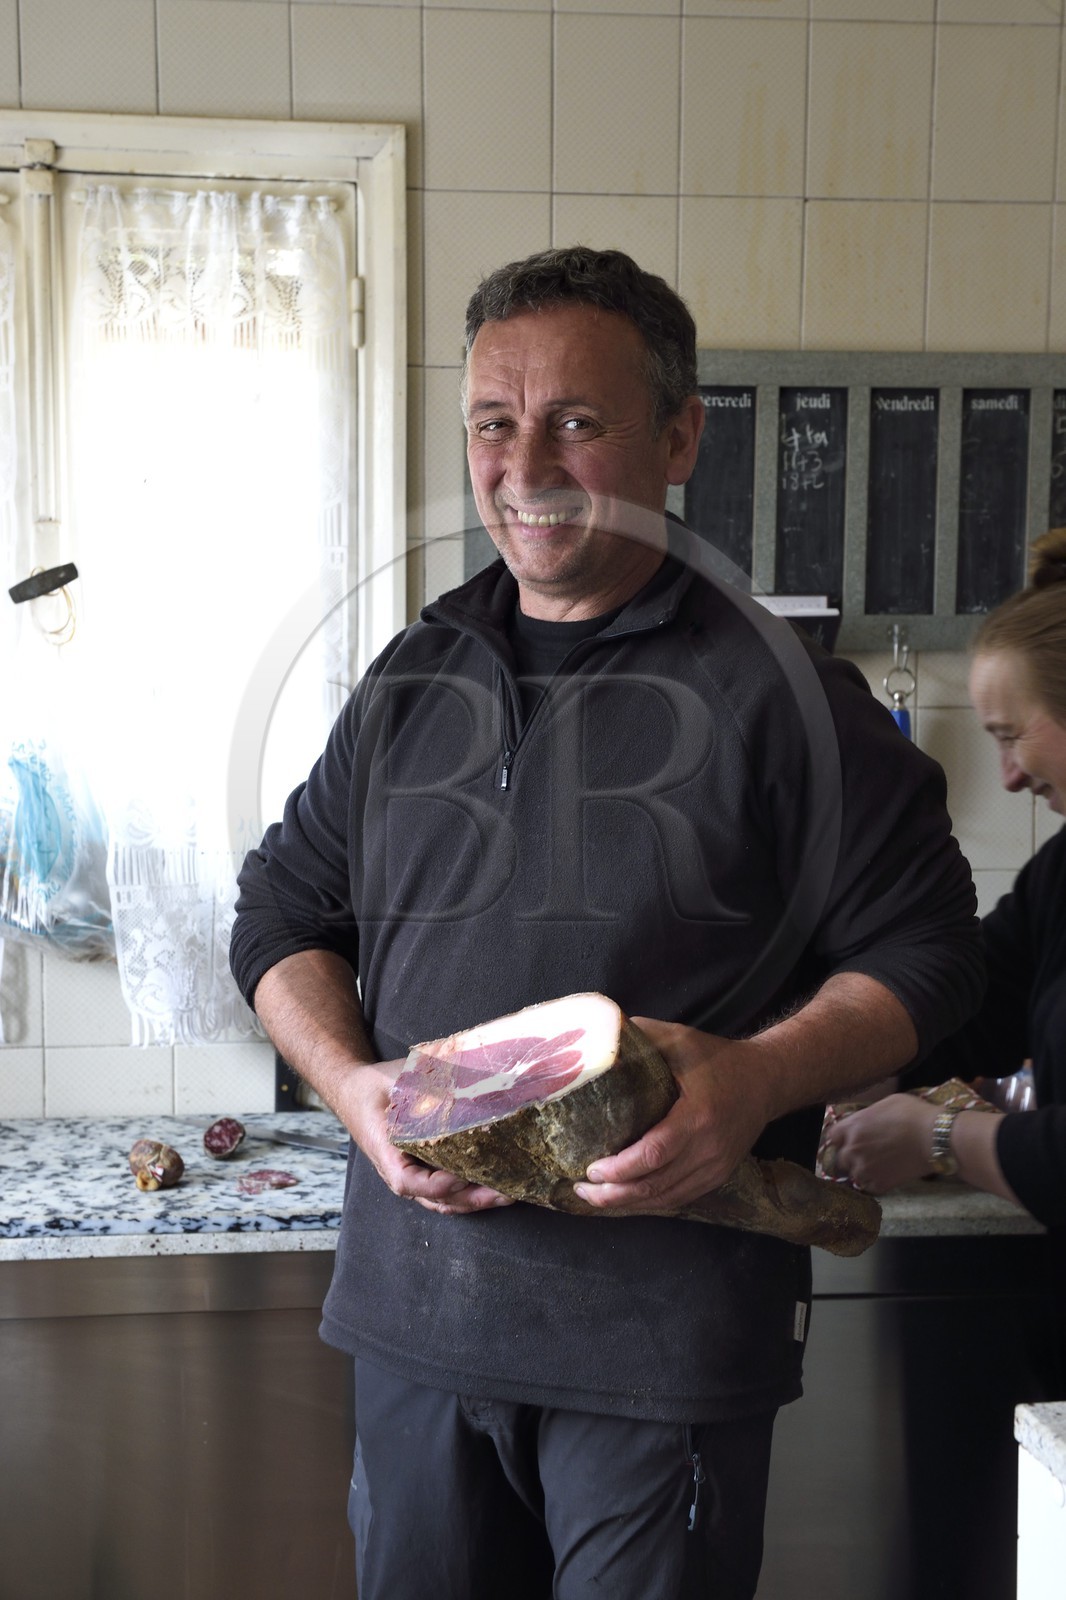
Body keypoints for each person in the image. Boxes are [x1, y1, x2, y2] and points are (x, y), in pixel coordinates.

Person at [229, 246, 983, 1600]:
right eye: (492, 423)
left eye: (574, 421)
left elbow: (929, 953)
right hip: (415, 1324)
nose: (523, 466)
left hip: (659, 1352)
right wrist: (350, 1088)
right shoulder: (412, 676)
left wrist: (753, 1077)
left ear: (678, 438)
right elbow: (281, 911)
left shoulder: (781, 697)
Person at [820, 529, 1066, 1230]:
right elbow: (976, 1001)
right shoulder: (1060, 873)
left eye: (1012, 735)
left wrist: (940, 1138)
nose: (1009, 777)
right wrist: (845, 1063)